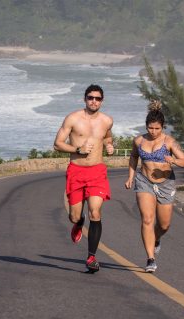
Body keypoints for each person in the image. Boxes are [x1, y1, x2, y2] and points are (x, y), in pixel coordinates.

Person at [54, 84, 115, 273]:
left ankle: (91, 257)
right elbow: (57, 144)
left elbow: (107, 137)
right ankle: (78, 223)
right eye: (90, 97)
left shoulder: (107, 121)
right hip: (77, 172)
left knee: (95, 213)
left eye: (97, 98)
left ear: (102, 101)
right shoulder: (73, 119)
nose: (94, 101)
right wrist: (77, 150)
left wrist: (109, 146)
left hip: (97, 172)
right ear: (85, 99)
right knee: (74, 215)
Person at [125, 100, 184, 273]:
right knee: (147, 218)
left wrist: (174, 160)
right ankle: (150, 259)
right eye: (150, 128)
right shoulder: (138, 141)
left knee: (164, 225)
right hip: (144, 181)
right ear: (146, 126)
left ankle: (157, 238)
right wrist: (131, 176)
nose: (153, 132)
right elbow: (133, 157)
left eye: (157, 128)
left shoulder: (169, 142)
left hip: (165, 184)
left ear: (163, 127)